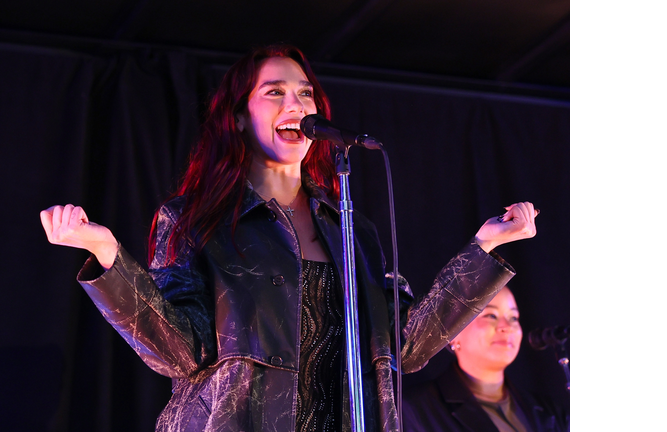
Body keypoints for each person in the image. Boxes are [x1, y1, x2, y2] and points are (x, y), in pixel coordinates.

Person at [39, 44, 539, 432]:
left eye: (304, 93)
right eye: (274, 92)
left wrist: (484, 250)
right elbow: (179, 352)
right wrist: (108, 256)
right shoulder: (196, 219)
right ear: (238, 115)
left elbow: (405, 347)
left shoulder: (352, 228)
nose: (295, 103)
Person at [401, 286, 568, 432]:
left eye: (513, 318)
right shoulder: (414, 411)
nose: (507, 327)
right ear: (452, 333)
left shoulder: (549, 411)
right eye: (491, 316)